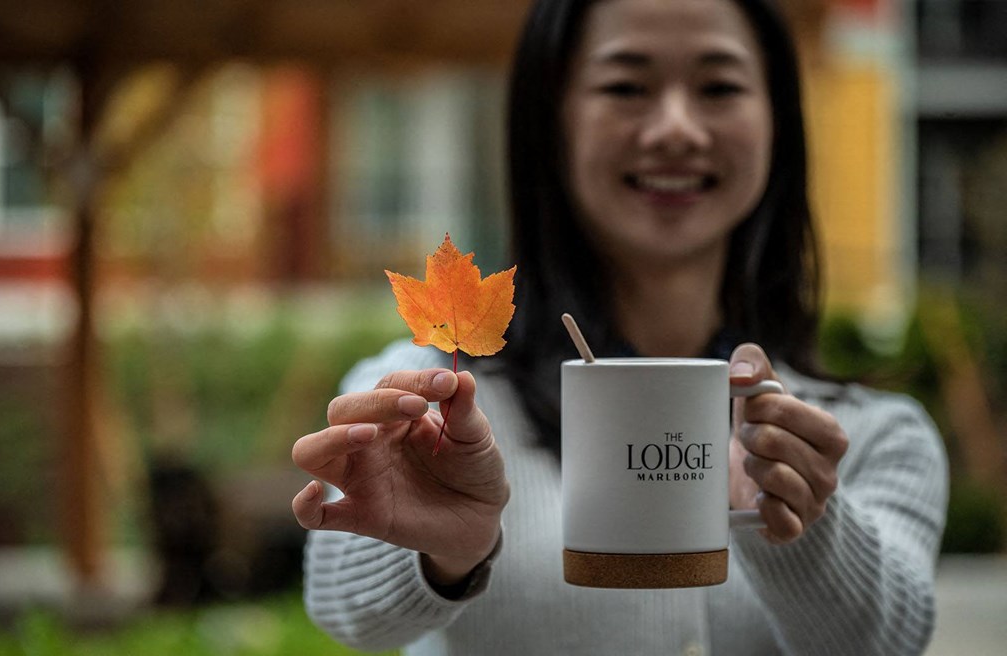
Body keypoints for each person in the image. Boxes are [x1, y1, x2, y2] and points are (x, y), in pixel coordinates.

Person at [291, 0, 949, 653]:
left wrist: (806, 524)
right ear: (553, 120)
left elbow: (892, 641)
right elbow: (347, 612)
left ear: (778, 119)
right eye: (625, 86)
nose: (676, 128)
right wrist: (441, 551)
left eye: (719, 86)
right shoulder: (437, 406)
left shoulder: (865, 437)